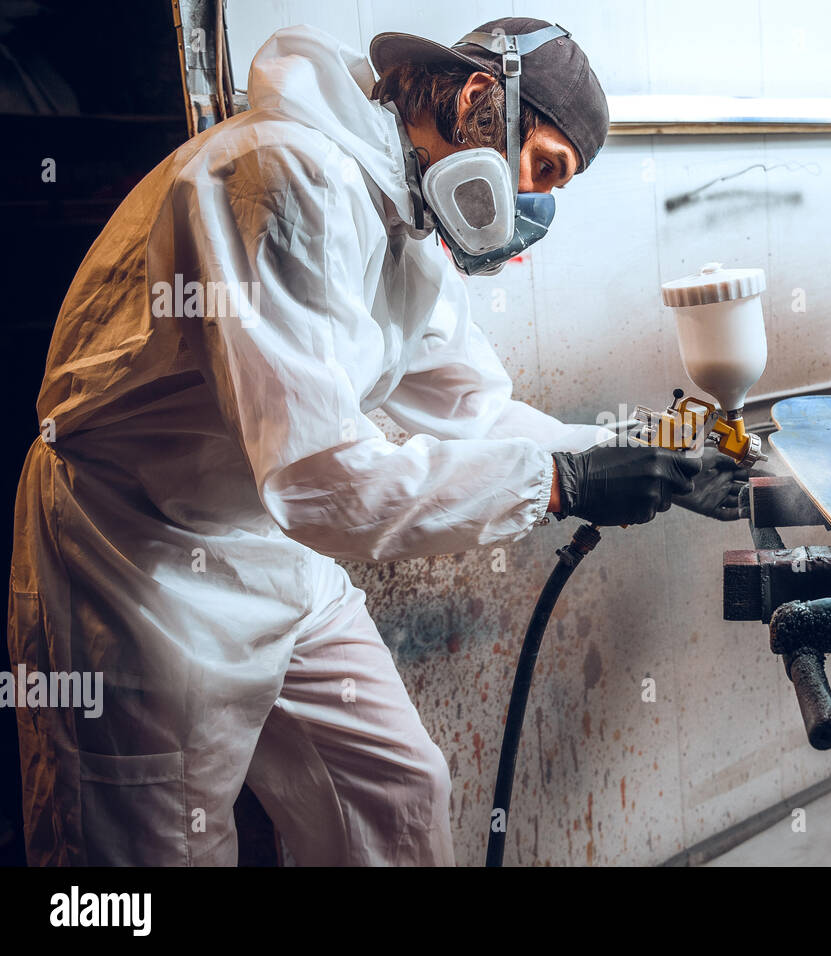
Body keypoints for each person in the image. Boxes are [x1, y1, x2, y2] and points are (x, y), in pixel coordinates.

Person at [8, 17, 747, 866]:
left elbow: (478, 410)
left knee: (396, 788)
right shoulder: (276, 179)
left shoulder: (405, 230)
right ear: (479, 101)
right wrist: (562, 485)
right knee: (154, 849)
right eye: (544, 167)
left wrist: (649, 457)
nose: (537, 204)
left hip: (272, 545)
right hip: (141, 552)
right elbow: (326, 479)